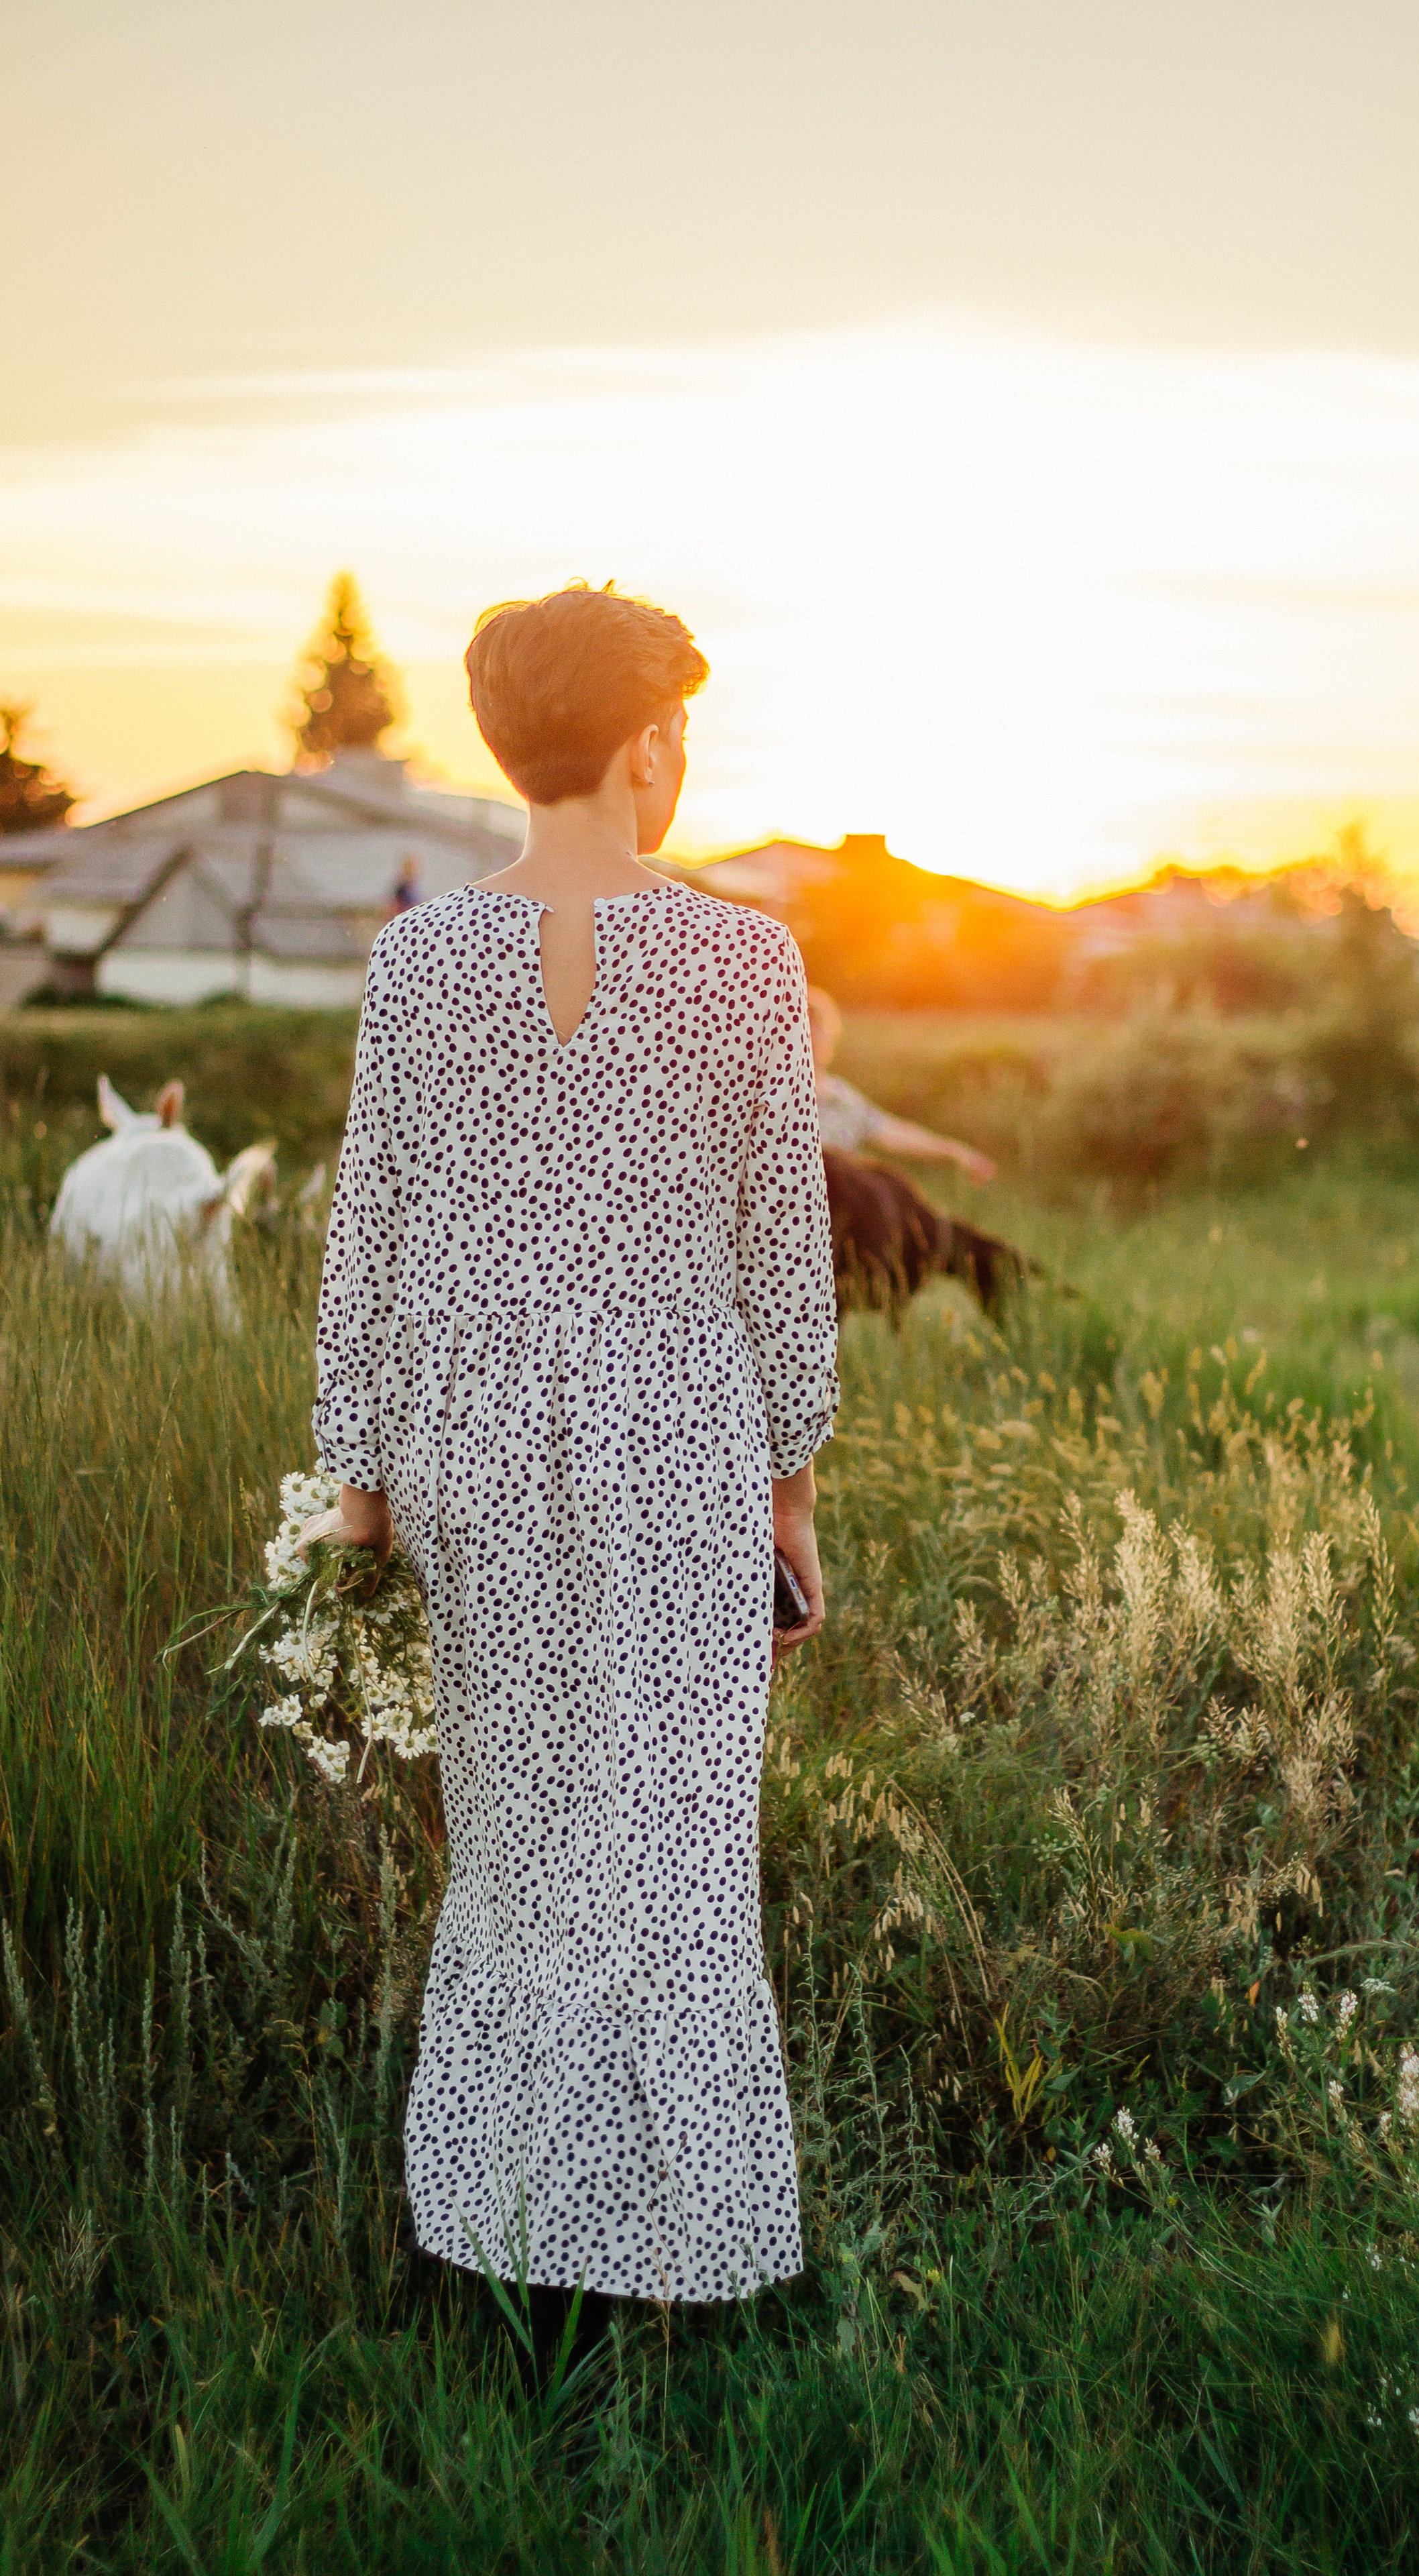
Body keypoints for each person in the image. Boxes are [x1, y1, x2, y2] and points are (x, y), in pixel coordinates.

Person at [306, 580, 839, 2397]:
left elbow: (363, 1245)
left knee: (521, 1864)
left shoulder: (414, 965)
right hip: (681, 1452)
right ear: (649, 745)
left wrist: (358, 1512)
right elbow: (786, 1264)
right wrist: (796, 1515)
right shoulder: (745, 963)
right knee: (676, 1868)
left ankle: (514, 2245)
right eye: (681, 727)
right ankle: (676, 2267)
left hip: (471, 1464)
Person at [807, 985, 997, 1183]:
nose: (815, 1035)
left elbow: (892, 1133)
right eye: (808, 1025)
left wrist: (956, 1153)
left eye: (820, 1026)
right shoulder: (778, 1095)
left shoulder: (841, 1097)